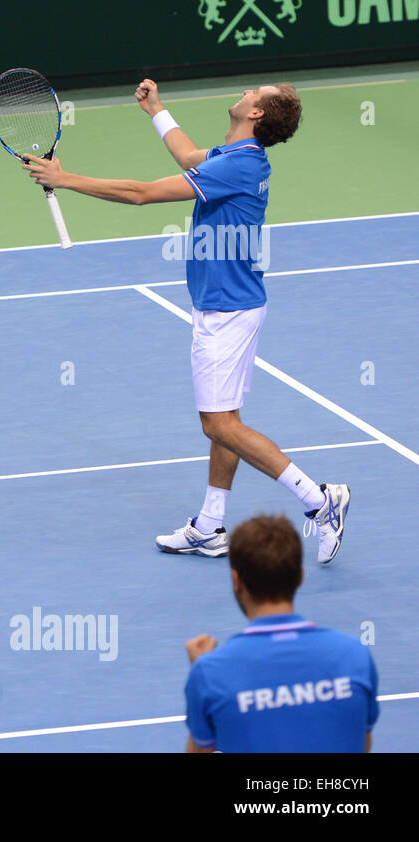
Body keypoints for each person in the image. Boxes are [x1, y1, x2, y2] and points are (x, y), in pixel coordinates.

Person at [22, 80, 351, 565]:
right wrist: (156, 110)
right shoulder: (237, 155)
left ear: (257, 114)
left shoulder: (239, 164)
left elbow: (141, 194)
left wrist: (67, 179)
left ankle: (320, 501)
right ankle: (210, 526)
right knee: (226, 423)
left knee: (219, 424)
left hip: (227, 310)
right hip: (231, 303)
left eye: (252, 92)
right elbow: (185, 154)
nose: (242, 92)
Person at [182, 514, 378, 752]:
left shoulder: (209, 673)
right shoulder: (355, 656)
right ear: (300, 577)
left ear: (237, 581)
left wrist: (206, 674)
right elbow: (361, 745)